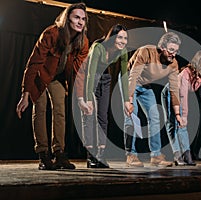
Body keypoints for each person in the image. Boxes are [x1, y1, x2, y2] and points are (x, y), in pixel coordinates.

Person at [16, 3, 89, 170]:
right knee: (40, 109)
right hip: (41, 75)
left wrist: (80, 98)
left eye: (83, 19)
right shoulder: (51, 33)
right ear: (67, 18)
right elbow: (34, 63)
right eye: (76, 17)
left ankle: (59, 153)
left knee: (60, 110)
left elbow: (79, 73)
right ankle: (43, 154)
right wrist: (25, 93)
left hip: (57, 77)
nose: (80, 22)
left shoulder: (82, 41)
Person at [124, 31, 182, 167]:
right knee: (132, 116)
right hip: (129, 81)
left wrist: (178, 114)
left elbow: (174, 90)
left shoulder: (173, 64)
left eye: (176, 51)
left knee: (155, 116)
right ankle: (131, 154)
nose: (173, 54)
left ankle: (156, 155)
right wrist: (130, 100)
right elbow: (133, 75)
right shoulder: (146, 52)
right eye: (171, 50)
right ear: (162, 48)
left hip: (145, 86)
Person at [76, 24, 129, 168]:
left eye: (125, 38)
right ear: (112, 37)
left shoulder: (123, 51)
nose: (123, 41)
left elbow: (124, 76)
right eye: (120, 37)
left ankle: (101, 154)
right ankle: (90, 155)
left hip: (105, 78)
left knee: (103, 117)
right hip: (89, 76)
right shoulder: (98, 48)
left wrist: (126, 100)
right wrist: (87, 99)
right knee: (89, 115)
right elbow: (91, 73)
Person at [161, 50, 201, 166]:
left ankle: (187, 156)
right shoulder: (186, 73)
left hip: (181, 96)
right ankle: (177, 155)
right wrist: (182, 115)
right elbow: (182, 95)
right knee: (173, 123)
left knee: (182, 127)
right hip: (171, 92)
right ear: (198, 61)